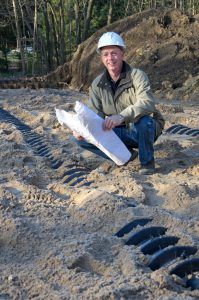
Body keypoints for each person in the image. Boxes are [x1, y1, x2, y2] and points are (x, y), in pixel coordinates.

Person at [73, 32, 165, 175]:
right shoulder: (97, 84)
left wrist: (121, 117)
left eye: (114, 53)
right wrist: (81, 128)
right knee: (80, 138)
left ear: (122, 53)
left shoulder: (137, 76)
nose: (110, 58)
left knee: (145, 121)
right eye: (106, 54)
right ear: (101, 58)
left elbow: (147, 103)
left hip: (140, 130)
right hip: (115, 133)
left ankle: (147, 163)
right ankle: (126, 155)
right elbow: (93, 114)